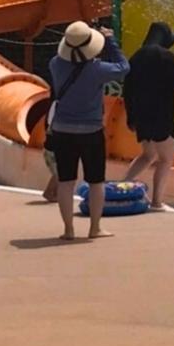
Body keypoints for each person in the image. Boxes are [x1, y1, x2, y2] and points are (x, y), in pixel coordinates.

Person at [48, 20, 129, 241]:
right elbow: (124, 68)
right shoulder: (98, 69)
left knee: (66, 181)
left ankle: (68, 229)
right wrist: (111, 42)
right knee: (95, 181)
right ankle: (95, 228)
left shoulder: (55, 64)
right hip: (91, 130)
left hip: (62, 130)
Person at [123, 21, 174, 209]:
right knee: (165, 159)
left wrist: (130, 116)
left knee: (148, 154)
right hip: (162, 114)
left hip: (141, 115)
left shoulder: (136, 57)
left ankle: (122, 185)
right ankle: (157, 202)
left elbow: (127, 90)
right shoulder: (166, 56)